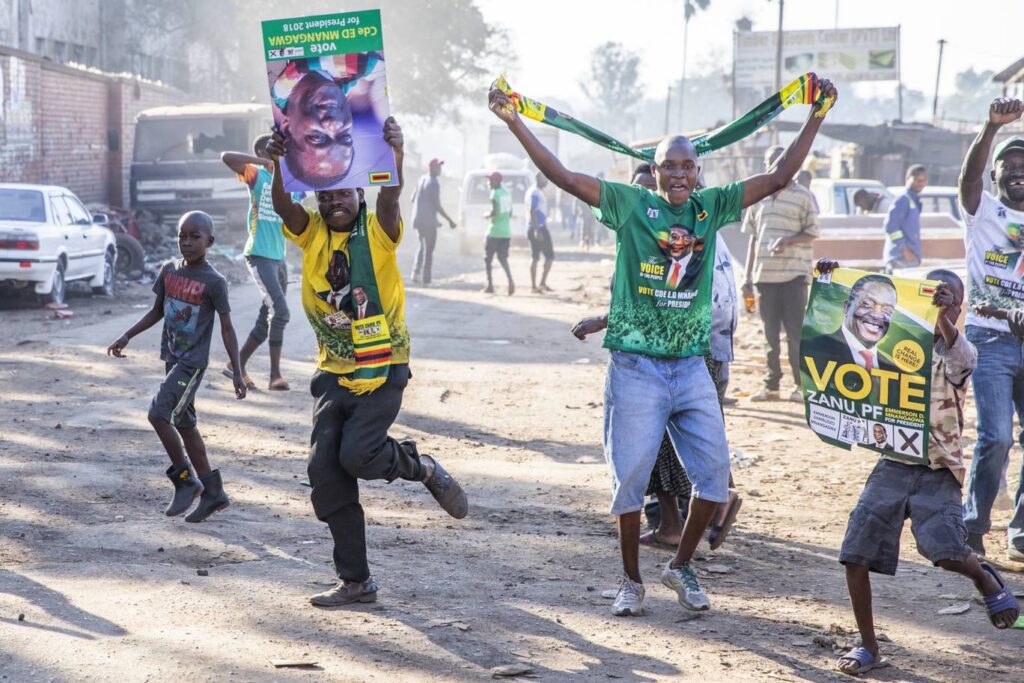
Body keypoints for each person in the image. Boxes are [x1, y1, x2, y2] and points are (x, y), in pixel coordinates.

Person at [491, 76, 837, 616]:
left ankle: (680, 565)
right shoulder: (630, 206)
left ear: (698, 173)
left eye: (686, 166)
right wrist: (515, 122)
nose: (678, 174)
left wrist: (816, 114)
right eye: (668, 166)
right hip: (635, 369)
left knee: (715, 484)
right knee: (629, 484)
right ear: (654, 173)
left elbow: (778, 177)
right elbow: (561, 175)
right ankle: (631, 581)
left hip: (690, 367)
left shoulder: (710, 207)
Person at [267, 117, 468, 607]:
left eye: (344, 195)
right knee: (325, 471)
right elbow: (283, 207)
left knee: (359, 456)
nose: (335, 203)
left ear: (359, 194)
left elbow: (392, 199)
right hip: (333, 373)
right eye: (326, 197)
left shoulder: (378, 232)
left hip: (382, 369)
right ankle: (356, 582)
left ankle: (420, 467)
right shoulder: (312, 233)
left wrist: (395, 156)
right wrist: (277, 164)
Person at [816, 259, 1020, 674]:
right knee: (855, 554)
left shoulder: (961, 352)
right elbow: (850, 320)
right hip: (893, 461)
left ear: (960, 308)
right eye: (933, 298)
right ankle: (869, 647)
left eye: (951, 302)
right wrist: (829, 280)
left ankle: (983, 578)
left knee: (944, 551)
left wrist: (944, 318)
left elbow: (961, 354)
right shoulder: (893, 344)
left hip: (938, 469)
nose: (942, 307)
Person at [107, 211, 246, 522]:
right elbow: (157, 311)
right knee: (184, 424)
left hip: (191, 365)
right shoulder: (169, 271)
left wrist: (237, 371)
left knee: (157, 414)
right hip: (171, 360)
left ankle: (186, 481)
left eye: (195, 237)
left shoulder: (215, 282)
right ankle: (214, 493)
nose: (187, 242)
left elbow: (227, 328)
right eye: (182, 236)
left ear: (210, 241)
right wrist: (127, 334)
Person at [958, 98, 1024, 563]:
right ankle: (973, 524)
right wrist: (990, 129)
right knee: (996, 438)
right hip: (990, 341)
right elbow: (968, 179)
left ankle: (1020, 528)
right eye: (1010, 165)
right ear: (997, 175)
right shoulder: (982, 214)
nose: (1019, 171)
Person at [220, 134, 302, 391]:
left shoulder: (289, 183)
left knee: (266, 319)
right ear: (263, 153)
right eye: (275, 151)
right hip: (259, 255)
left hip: (279, 259)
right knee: (280, 311)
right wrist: (262, 161)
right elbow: (226, 157)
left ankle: (237, 364)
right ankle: (275, 376)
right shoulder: (256, 176)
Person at [742, 146, 821, 403]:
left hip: (794, 276)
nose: (775, 166)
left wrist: (788, 240)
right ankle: (771, 385)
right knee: (769, 336)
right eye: (770, 162)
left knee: (796, 334)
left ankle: (800, 386)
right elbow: (754, 240)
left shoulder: (803, 196)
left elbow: (812, 232)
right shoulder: (759, 197)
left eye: (780, 161)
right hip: (765, 276)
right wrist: (747, 277)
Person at [271, 53, 385, 189]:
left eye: (317, 137)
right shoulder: (358, 71)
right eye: (345, 136)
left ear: (286, 127)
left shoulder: (271, 70)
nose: (336, 124)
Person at [801, 273, 900, 374]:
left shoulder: (894, 370)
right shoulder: (813, 348)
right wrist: (826, 273)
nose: (877, 315)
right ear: (847, 307)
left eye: (887, 310)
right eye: (867, 304)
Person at [410, 158, 456, 286]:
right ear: (431, 168)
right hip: (428, 222)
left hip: (418, 220)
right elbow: (437, 205)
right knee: (429, 250)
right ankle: (426, 279)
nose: (440, 169)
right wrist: (450, 220)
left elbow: (412, 198)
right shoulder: (434, 182)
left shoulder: (421, 179)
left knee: (421, 246)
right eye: (438, 167)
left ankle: (415, 272)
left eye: (440, 167)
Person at [882, 164, 928, 273]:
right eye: (917, 179)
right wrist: (905, 250)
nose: (921, 183)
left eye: (924, 180)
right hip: (900, 258)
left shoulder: (913, 200)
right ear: (907, 179)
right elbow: (890, 226)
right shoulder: (903, 200)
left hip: (908, 258)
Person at [483, 171, 515, 295]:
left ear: (496, 182)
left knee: (488, 259)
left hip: (494, 231)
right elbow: (510, 213)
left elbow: (494, 212)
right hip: (506, 232)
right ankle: (510, 280)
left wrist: (487, 215)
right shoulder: (507, 193)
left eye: (490, 180)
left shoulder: (495, 193)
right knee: (503, 259)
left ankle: (490, 285)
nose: (488, 183)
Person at [526, 172, 554, 293]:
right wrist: (537, 230)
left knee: (547, 257)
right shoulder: (535, 193)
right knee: (537, 257)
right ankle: (534, 286)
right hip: (537, 228)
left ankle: (541, 283)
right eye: (545, 179)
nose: (547, 181)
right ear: (539, 179)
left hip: (537, 227)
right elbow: (532, 210)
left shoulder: (536, 191)